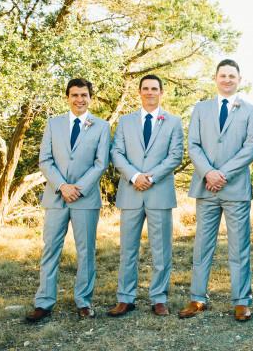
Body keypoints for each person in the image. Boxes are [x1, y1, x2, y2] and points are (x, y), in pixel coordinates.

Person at [178, 59, 253, 322]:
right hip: (206, 187)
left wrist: (223, 174)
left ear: (239, 79)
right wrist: (209, 173)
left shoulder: (249, 110)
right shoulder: (200, 109)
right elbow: (193, 145)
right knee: (202, 245)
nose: (227, 79)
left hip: (234, 187)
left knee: (239, 247)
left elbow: (250, 147)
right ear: (215, 78)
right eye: (223, 75)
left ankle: (241, 300)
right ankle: (197, 298)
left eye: (231, 76)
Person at [26, 78, 111, 323]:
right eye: (74, 95)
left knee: (86, 252)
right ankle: (44, 303)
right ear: (67, 97)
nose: (79, 99)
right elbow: (45, 160)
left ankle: (83, 302)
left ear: (90, 97)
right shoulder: (54, 124)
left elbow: (100, 163)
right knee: (50, 249)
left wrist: (78, 188)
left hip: (85, 199)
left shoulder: (101, 126)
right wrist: (63, 186)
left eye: (84, 95)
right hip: (56, 196)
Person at [108, 75, 184, 317]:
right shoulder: (125, 121)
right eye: (145, 89)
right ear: (139, 92)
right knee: (128, 249)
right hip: (131, 191)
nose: (150, 92)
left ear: (162, 92)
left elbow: (175, 156)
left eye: (154, 89)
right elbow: (116, 152)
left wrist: (150, 177)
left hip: (158, 191)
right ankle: (125, 298)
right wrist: (134, 176)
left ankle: (159, 297)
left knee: (161, 249)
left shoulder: (173, 122)